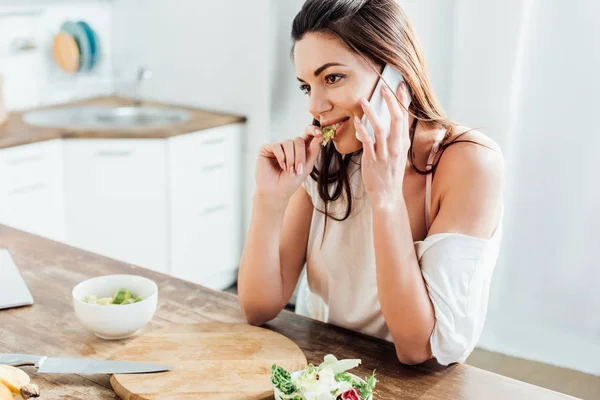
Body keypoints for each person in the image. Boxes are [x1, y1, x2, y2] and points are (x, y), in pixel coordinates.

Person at [238, 0, 504, 366]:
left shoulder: (469, 162)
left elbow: (416, 348)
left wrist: (386, 198)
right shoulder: (330, 155)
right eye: (306, 87)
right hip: (325, 375)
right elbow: (258, 307)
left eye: (332, 78)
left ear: (395, 75)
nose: (315, 106)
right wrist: (270, 200)